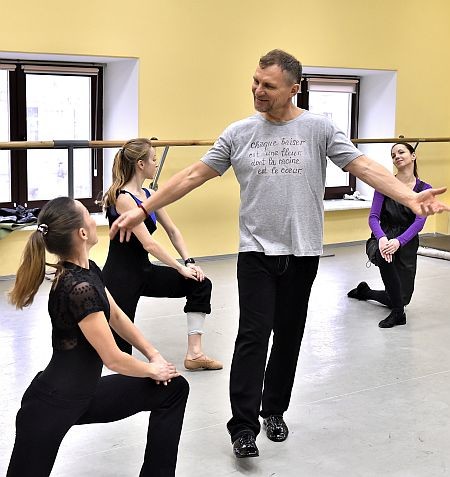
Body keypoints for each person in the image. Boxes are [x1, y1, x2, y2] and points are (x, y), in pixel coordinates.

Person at [108, 49, 449, 458]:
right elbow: (193, 174)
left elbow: (364, 168)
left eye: (268, 85)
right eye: (255, 81)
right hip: (256, 253)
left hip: (303, 253)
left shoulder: (319, 128)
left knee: (289, 334)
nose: (257, 90)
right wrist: (143, 208)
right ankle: (243, 426)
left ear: (293, 89)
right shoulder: (239, 133)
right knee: (253, 335)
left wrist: (409, 198)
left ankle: (274, 410)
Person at [6, 196, 189, 477]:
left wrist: (153, 354)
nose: (94, 220)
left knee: (174, 389)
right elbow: (113, 359)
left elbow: (116, 316)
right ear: (82, 233)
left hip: (86, 394)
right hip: (53, 403)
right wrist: (153, 370)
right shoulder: (78, 288)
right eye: (88, 215)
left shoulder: (89, 270)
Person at [102, 138, 222, 371]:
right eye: (153, 160)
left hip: (144, 272)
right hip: (120, 278)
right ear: (140, 164)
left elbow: (173, 231)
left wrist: (189, 262)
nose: (156, 164)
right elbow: (149, 244)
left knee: (200, 284)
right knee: (121, 349)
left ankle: (195, 354)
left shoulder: (149, 194)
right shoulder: (123, 198)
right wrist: (179, 268)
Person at [347, 142, 431, 328]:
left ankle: (365, 292)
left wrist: (399, 242)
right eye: (393, 155)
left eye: (401, 152)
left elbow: (419, 222)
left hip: (406, 242)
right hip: (382, 237)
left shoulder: (425, 189)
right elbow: (373, 218)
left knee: (401, 297)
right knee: (384, 253)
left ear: (413, 156)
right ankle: (398, 314)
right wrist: (382, 238)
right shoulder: (383, 185)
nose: (397, 156)